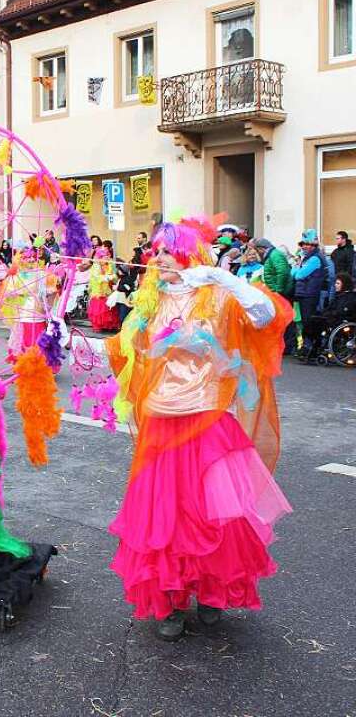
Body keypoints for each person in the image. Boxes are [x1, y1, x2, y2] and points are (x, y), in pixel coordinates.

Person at [105, 215, 292, 641]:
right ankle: (170, 600)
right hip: (162, 419)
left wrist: (221, 278)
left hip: (208, 416)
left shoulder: (218, 298)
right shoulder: (149, 302)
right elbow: (126, 351)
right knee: (165, 517)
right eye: (158, 252)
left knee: (214, 515)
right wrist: (123, 345)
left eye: (170, 251)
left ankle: (213, 591)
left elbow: (266, 316)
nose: (161, 259)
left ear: (192, 256)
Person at [299, 273, 356, 364]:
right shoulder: (339, 296)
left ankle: (312, 349)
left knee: (317, 323)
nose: (335, 286)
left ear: (344, 284)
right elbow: (329, 309)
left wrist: (329, 314)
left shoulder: (350, 297)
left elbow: (343, 311)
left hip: (340, 321)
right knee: (311, 320)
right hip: (332, 318)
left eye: (338, 283)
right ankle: (310, 348)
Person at [291, 230, 330, 358]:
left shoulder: (315, 258)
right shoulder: (306, 258)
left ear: (314, 245)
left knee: (309, 322)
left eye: (308, 244)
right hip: (304, 293)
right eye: (303, 244)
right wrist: (298, 267)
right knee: (306, 322)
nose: (304, 246)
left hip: (310, 294)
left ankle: (311, 347)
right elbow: (293, 273)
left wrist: (297, 267)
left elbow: (299, 275)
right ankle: (308, 347)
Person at [86, 244, 120, 332]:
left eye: (107, 256)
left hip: (107, 291)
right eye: (105, 257)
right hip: (98, 291)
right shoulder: (96, 267)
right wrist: (108, 277)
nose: (107, 258)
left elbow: (114, 277)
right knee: (99, 310)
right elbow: (97, 278)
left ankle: (108, 325)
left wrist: (113, 277)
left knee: (108, 308)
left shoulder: (108, 265)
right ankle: (99, 325)